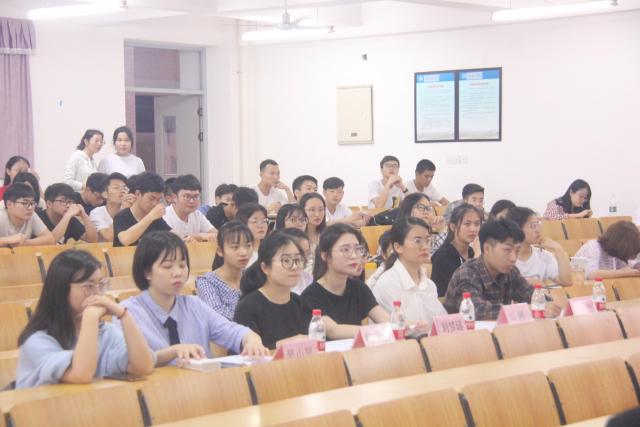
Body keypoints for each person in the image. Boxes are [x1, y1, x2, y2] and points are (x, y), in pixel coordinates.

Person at [121, 231, 268, 366]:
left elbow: (233, 331)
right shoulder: (127, 313)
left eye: (182, 265)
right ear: (146, 272)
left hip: (201, 384)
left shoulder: (194, 305)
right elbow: (128, 363)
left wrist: (251, 339)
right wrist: (173, 351)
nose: (178, 273)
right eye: (167, 266)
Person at [16, 250, 154, 388]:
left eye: (101, 284)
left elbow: (143, 367)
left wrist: (124, 315)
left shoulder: (106, 333)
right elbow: (81, 374)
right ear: (62, 289)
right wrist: (90, 317)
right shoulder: (37, 340)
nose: (98, 293)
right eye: (89, 286)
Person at [234, 232, 360, 349]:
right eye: (286, 261)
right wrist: (285, 345)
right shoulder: (248, 307)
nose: (294, 267)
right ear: (265, 267)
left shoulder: (301, 303)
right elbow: (246, 356)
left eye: (298, 260)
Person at [443, 220, 561, 320]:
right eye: (507, 250)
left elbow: (531, 295)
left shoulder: (510, 271)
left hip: (499, 334)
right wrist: (527, 310)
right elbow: (477, 310)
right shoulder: (468, 273)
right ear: (487, 249)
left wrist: (547, 304)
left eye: (517, 251)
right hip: (463, 337)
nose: (513, 258)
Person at [302, 223, 389, 325]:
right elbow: (334, 330)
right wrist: (371, 331)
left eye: (357, 249)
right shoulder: (311, 296)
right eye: (345, 250)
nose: (354, 256)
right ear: (325, 256)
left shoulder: (359, 288)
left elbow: (386, 321)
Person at [373, 217, 446, 323]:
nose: (425, 247)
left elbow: (441, 322)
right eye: (417, 241)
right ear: (398, 247)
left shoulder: (430, 285)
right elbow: (398, 326)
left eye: (428, 240)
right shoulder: (387, 284)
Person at [196, 221, 254, 320]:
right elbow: (217, 315)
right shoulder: (207, 282)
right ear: (220, 251)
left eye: (248, 245)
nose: (244, 252)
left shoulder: (253, 277)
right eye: (235, 247)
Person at [506, 207, 572, 286]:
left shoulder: (543, 255)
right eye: (532, 226)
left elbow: (566, 282)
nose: (538, 230)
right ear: (517, 228)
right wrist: (527, 283)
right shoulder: (504, 258)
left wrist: (558, 248)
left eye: (538, 224)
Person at [431, 204, 483, 296]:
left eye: (477, 224)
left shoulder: (472, 251)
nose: (473, 229)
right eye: (467, 224)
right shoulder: (443, 256)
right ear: (453, 227)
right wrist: (477, 259)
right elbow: (464, 291)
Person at [113, 172, 171, 247]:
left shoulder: (156, 218)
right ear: (138, 194)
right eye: (151, 198)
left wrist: (183, 239)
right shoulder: (122, 217)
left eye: (158, 199)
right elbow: (125, 240)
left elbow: (171, 236)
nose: (155, 203)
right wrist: (151, 217)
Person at [574, 221, 640, 279]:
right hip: (582, 287)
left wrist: (635, 267)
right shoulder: (593, 246)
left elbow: (627, 266)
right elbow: (591, 274)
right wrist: (624, 272)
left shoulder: (615, 252)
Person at [163, 174, 216, 243]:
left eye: (196, 197)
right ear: (175, 197)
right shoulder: (165, 216)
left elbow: (216, 234)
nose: (191, 201)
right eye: (187, 197)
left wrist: (197, 236)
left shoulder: (197, 214)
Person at [0, 183, 55, 247]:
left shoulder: (31, 214)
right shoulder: (1, 216)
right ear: (9, 204)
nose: (30, 208)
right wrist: (8, 240)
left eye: (32, 203)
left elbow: (50, 239)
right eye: (24, 203)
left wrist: (25, 243)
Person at [89, 172, 134, 242]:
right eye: (116, 187)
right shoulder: (97, 213)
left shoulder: (130, 210)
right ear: (105, 194)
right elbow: (108, 238)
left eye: (125, 188)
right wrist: (124, 211)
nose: (122, 191)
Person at [279, 228, 314, 294]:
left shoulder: (308, 278)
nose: (305, 258)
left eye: (308, 253)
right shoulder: (276, 281)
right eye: (300, 253)